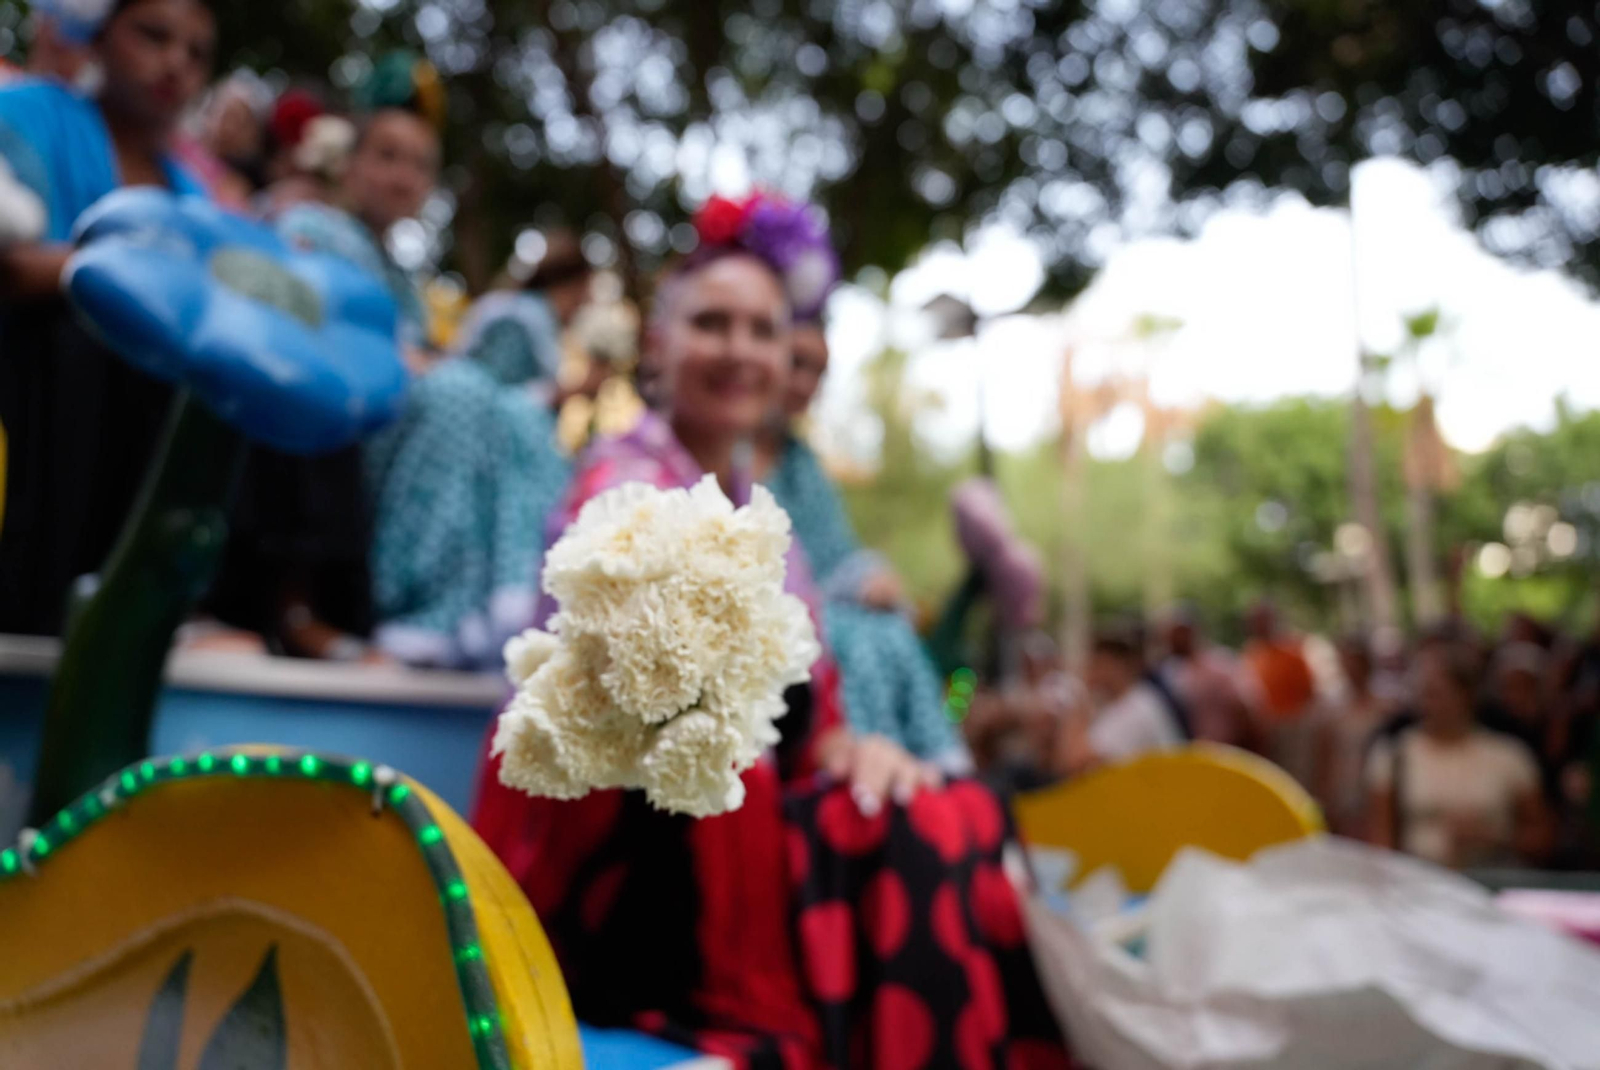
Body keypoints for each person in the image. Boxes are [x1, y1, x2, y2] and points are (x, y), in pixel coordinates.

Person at [473, 198, 1068, 1069]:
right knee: (916, 836)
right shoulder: (620, 481)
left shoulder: (765, 512)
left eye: (762, 329)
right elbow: (633, 726)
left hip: (752, 800)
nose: (740, 349)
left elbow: (808, 721)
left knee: (947, 807)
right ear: (659, 350)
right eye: (712, 323)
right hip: (640, 848)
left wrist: (857, 754)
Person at [0, 0, 216, 637]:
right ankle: (44, 605)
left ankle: (177, 603)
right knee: (85, 334)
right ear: (99, 36)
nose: (175, 63)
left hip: (146, 398)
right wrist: (122, 274)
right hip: (35, 375)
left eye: (197, 53)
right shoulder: (28, 115)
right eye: (153, 36)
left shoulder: (192, 191)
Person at [758, 319, 968, 768]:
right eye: (797, 363)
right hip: (769, 625)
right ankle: (865, 778)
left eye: (817, 372)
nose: (804, 383)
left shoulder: (802, 462)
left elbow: (837, 553)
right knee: (858, 643)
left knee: (891, 630)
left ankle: (932, 769)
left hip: (822, 609)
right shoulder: (723, 447)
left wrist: (871, 576)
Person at [1366, 643, 1553, 869]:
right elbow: (1381, 838)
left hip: (1491, 881)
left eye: (1437, 694)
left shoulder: (1509, 756)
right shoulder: (1395, 754)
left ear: (1466, 695)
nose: (1428, 704)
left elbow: (1544, 836)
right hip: (1421, 885)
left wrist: (1495, 836)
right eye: (1423, 694)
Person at [1056, 631, 1183, 776]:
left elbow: (1073, 762)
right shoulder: (1113, 704)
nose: (1092, 669)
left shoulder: (1138, 708)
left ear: (1120, 666)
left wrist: (1080, 695)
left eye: (1099, 662)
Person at [1312, 635, 1391, 837]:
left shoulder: (1387, 706)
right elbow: (1324, 757)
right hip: (1344, 792)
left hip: (1376, 790)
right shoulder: (1331, 710)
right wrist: (1326, 800)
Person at [1158, 608, 1256, 750]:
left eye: (1177, 634)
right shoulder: (1168, 670)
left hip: (1226, 751)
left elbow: (1243, 709)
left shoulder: (1221, 664)